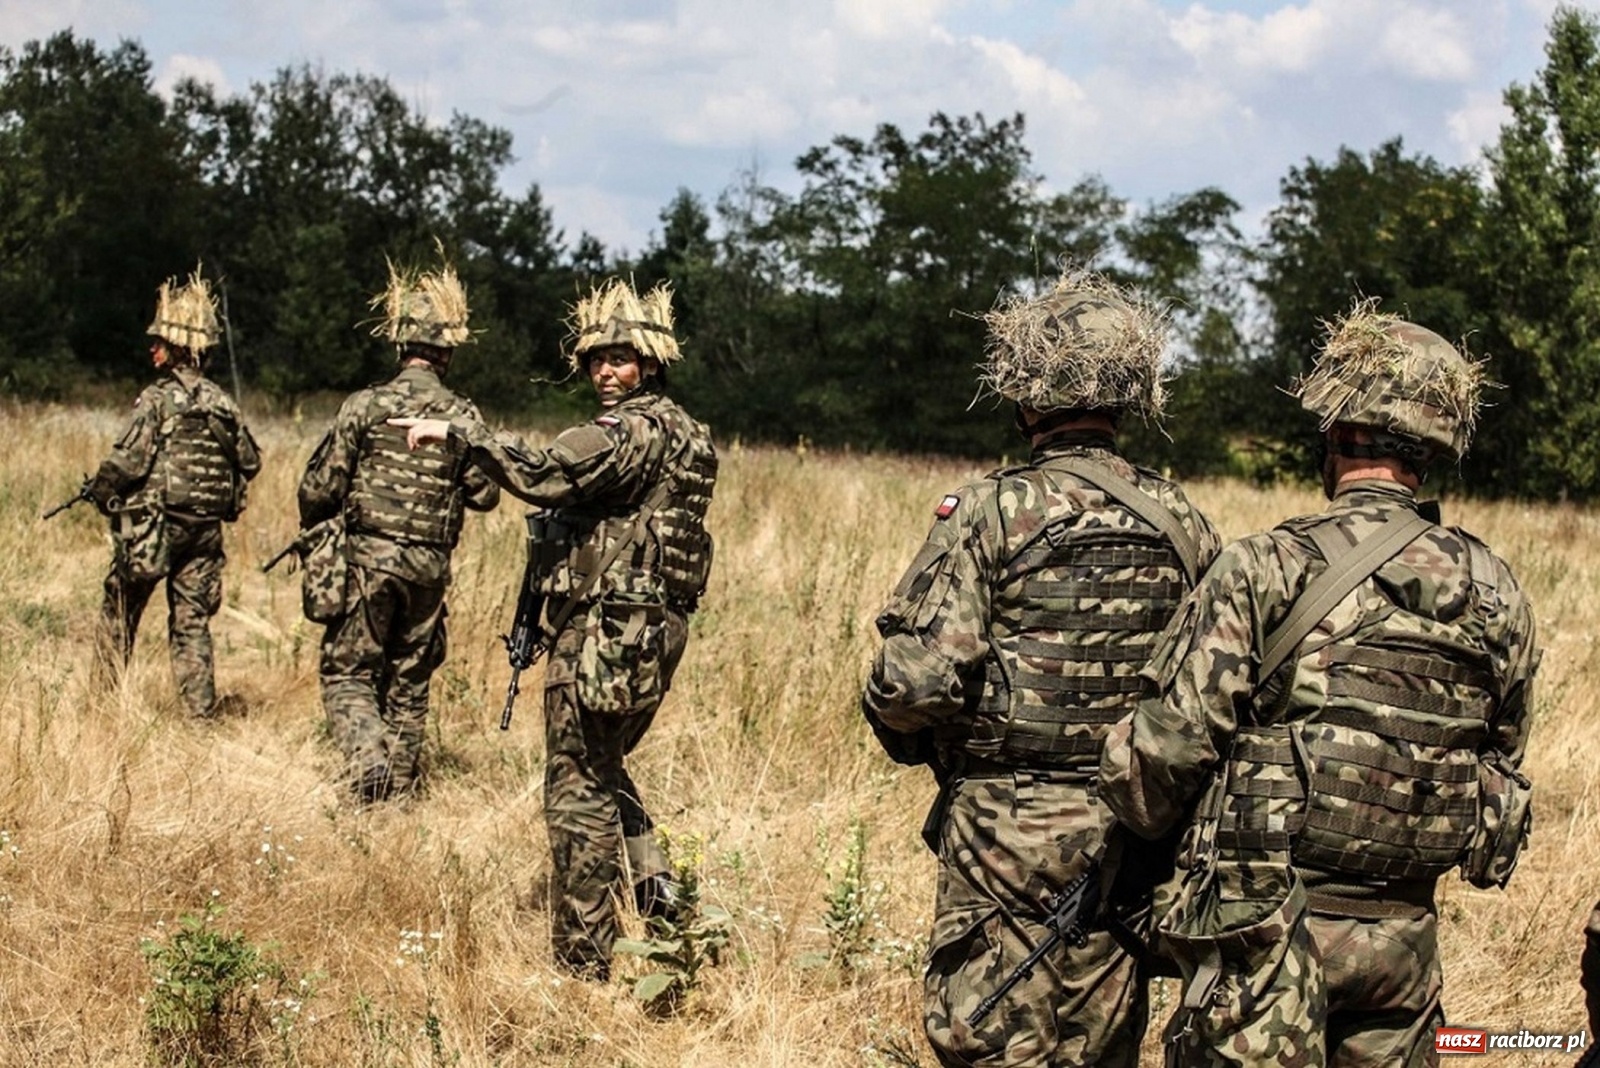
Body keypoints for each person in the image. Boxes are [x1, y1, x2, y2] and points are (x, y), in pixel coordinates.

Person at [1099, 301, 1541, 1068]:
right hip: (1404, 944)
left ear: (1334, 434)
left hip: (1264, 939)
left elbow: (1163, 757)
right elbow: (1499, 759)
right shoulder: (1496, 591)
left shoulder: (1266, 566)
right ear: (1432, 448)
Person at [859, 269, 1222, 1068]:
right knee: (1101, 1042)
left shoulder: (989, 510)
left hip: (1005, 830)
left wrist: (891, 711)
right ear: (1128, 394)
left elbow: (917, 682)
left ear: (1025, 396)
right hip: (1132, 829)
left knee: (987, 1036)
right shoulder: (1184, 521)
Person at [393, 278, 717, 980]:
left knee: (576, 789)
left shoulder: (627, 431)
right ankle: (660, 894)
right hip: (654, 632)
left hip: (605, 635)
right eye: (596, 359)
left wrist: (461, 434)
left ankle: (584, 960)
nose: (605, 371)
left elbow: (542, 474)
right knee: (603, 764)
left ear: (651, 362)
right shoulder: (692, 434)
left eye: (620, 358)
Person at [296, 254, 500, 804]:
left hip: (368, 562)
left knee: (348, 672)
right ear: (447, 352)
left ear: (401, 344)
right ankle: (399, 797)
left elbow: (321, 487)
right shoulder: (462, 416)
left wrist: (318, 528)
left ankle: (369, 763)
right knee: (409, 679)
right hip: (429, 569)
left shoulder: (366, 405)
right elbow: (485, 494)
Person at [88, 268, 261, 719]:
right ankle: (199, 715)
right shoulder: (223, 404)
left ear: (179, 348)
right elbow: (250, 461)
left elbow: (127, 463)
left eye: (159, 342)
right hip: (204, 531)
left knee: (120, 607)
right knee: (192, 622)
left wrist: (100, 490)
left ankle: (101, 705)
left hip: (155, 528)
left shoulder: (157, 399)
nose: (152, 348)